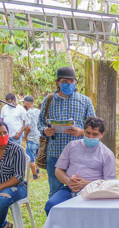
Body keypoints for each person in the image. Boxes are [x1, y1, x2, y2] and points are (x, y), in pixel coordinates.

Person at [40, 66, 96, 198]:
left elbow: (94, 127)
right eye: (65, 81)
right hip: (54, 153)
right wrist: (45, 130)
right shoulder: (49, 100)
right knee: (55, 191)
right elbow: (40, 122)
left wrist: (81, 132)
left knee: (79, 189)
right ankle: (54, 217)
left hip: (79, 154)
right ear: (57, 82)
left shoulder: (85, 101)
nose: (69, 84)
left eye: (72, 81)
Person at [44, 116, 116, 213]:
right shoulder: (72, 146)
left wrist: (87, 183)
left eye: (95, 135)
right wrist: (68, 181)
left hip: (94, 191)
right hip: (70, 188)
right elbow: (58, 170)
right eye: (87, 133)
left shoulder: (107, 154)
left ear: (102, 135)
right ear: (84, 131)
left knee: (83, 211)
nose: (90, 137)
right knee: (51, 205)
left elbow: (110, 183)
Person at [23, 95, 41, 180]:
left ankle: (34, 175)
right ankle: (38, 172)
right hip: (40, 138)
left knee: (30, 158)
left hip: (31, 139)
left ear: (26, 104)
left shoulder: (27, 113)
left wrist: (25, 135)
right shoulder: (39, 111)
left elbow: (28, 127)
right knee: (37, 156)